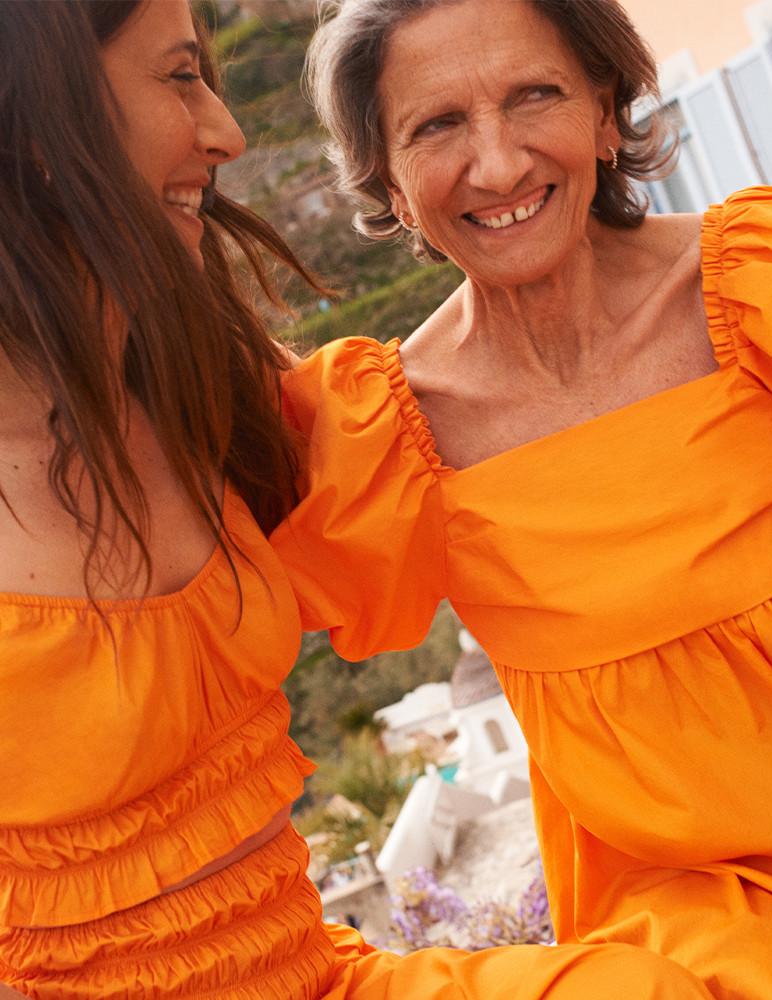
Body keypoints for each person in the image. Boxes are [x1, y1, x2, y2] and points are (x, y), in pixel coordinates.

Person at [276, 0, 772, 996]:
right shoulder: (388, 435)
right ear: (389, 184)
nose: (496, 164)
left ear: (606, 114)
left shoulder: (769, 281)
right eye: (436, 125)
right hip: (693, 900)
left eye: (535, 96)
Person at [0, 1, 716, 997]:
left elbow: (498, 441)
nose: (227, 131)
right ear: (36, 119)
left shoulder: (206, 380)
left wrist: (703, 299)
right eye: (176, 77)